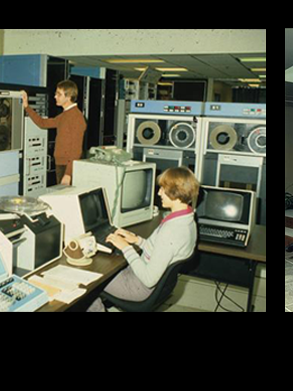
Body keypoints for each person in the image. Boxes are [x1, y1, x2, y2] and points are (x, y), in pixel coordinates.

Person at [88, 167, 199, 311]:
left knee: (88, 282)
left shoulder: (172, 230)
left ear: (175, 192)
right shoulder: (187, 220)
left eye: (163, 189)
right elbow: (159, 251)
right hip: (146, 279)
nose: (159, 193)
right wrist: (137, 240)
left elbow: (148, 279)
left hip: (139, 286)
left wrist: (126, 247)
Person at [22, 81, 86, 185]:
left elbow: (76, 150)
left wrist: (68, 174)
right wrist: (26, 106)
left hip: (67, 167)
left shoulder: (76, 117)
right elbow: (43, 123)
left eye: (59, 94)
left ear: (68, 97)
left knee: (65, 195)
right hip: (61, 164)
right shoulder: (65, 115)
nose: (55, 96)